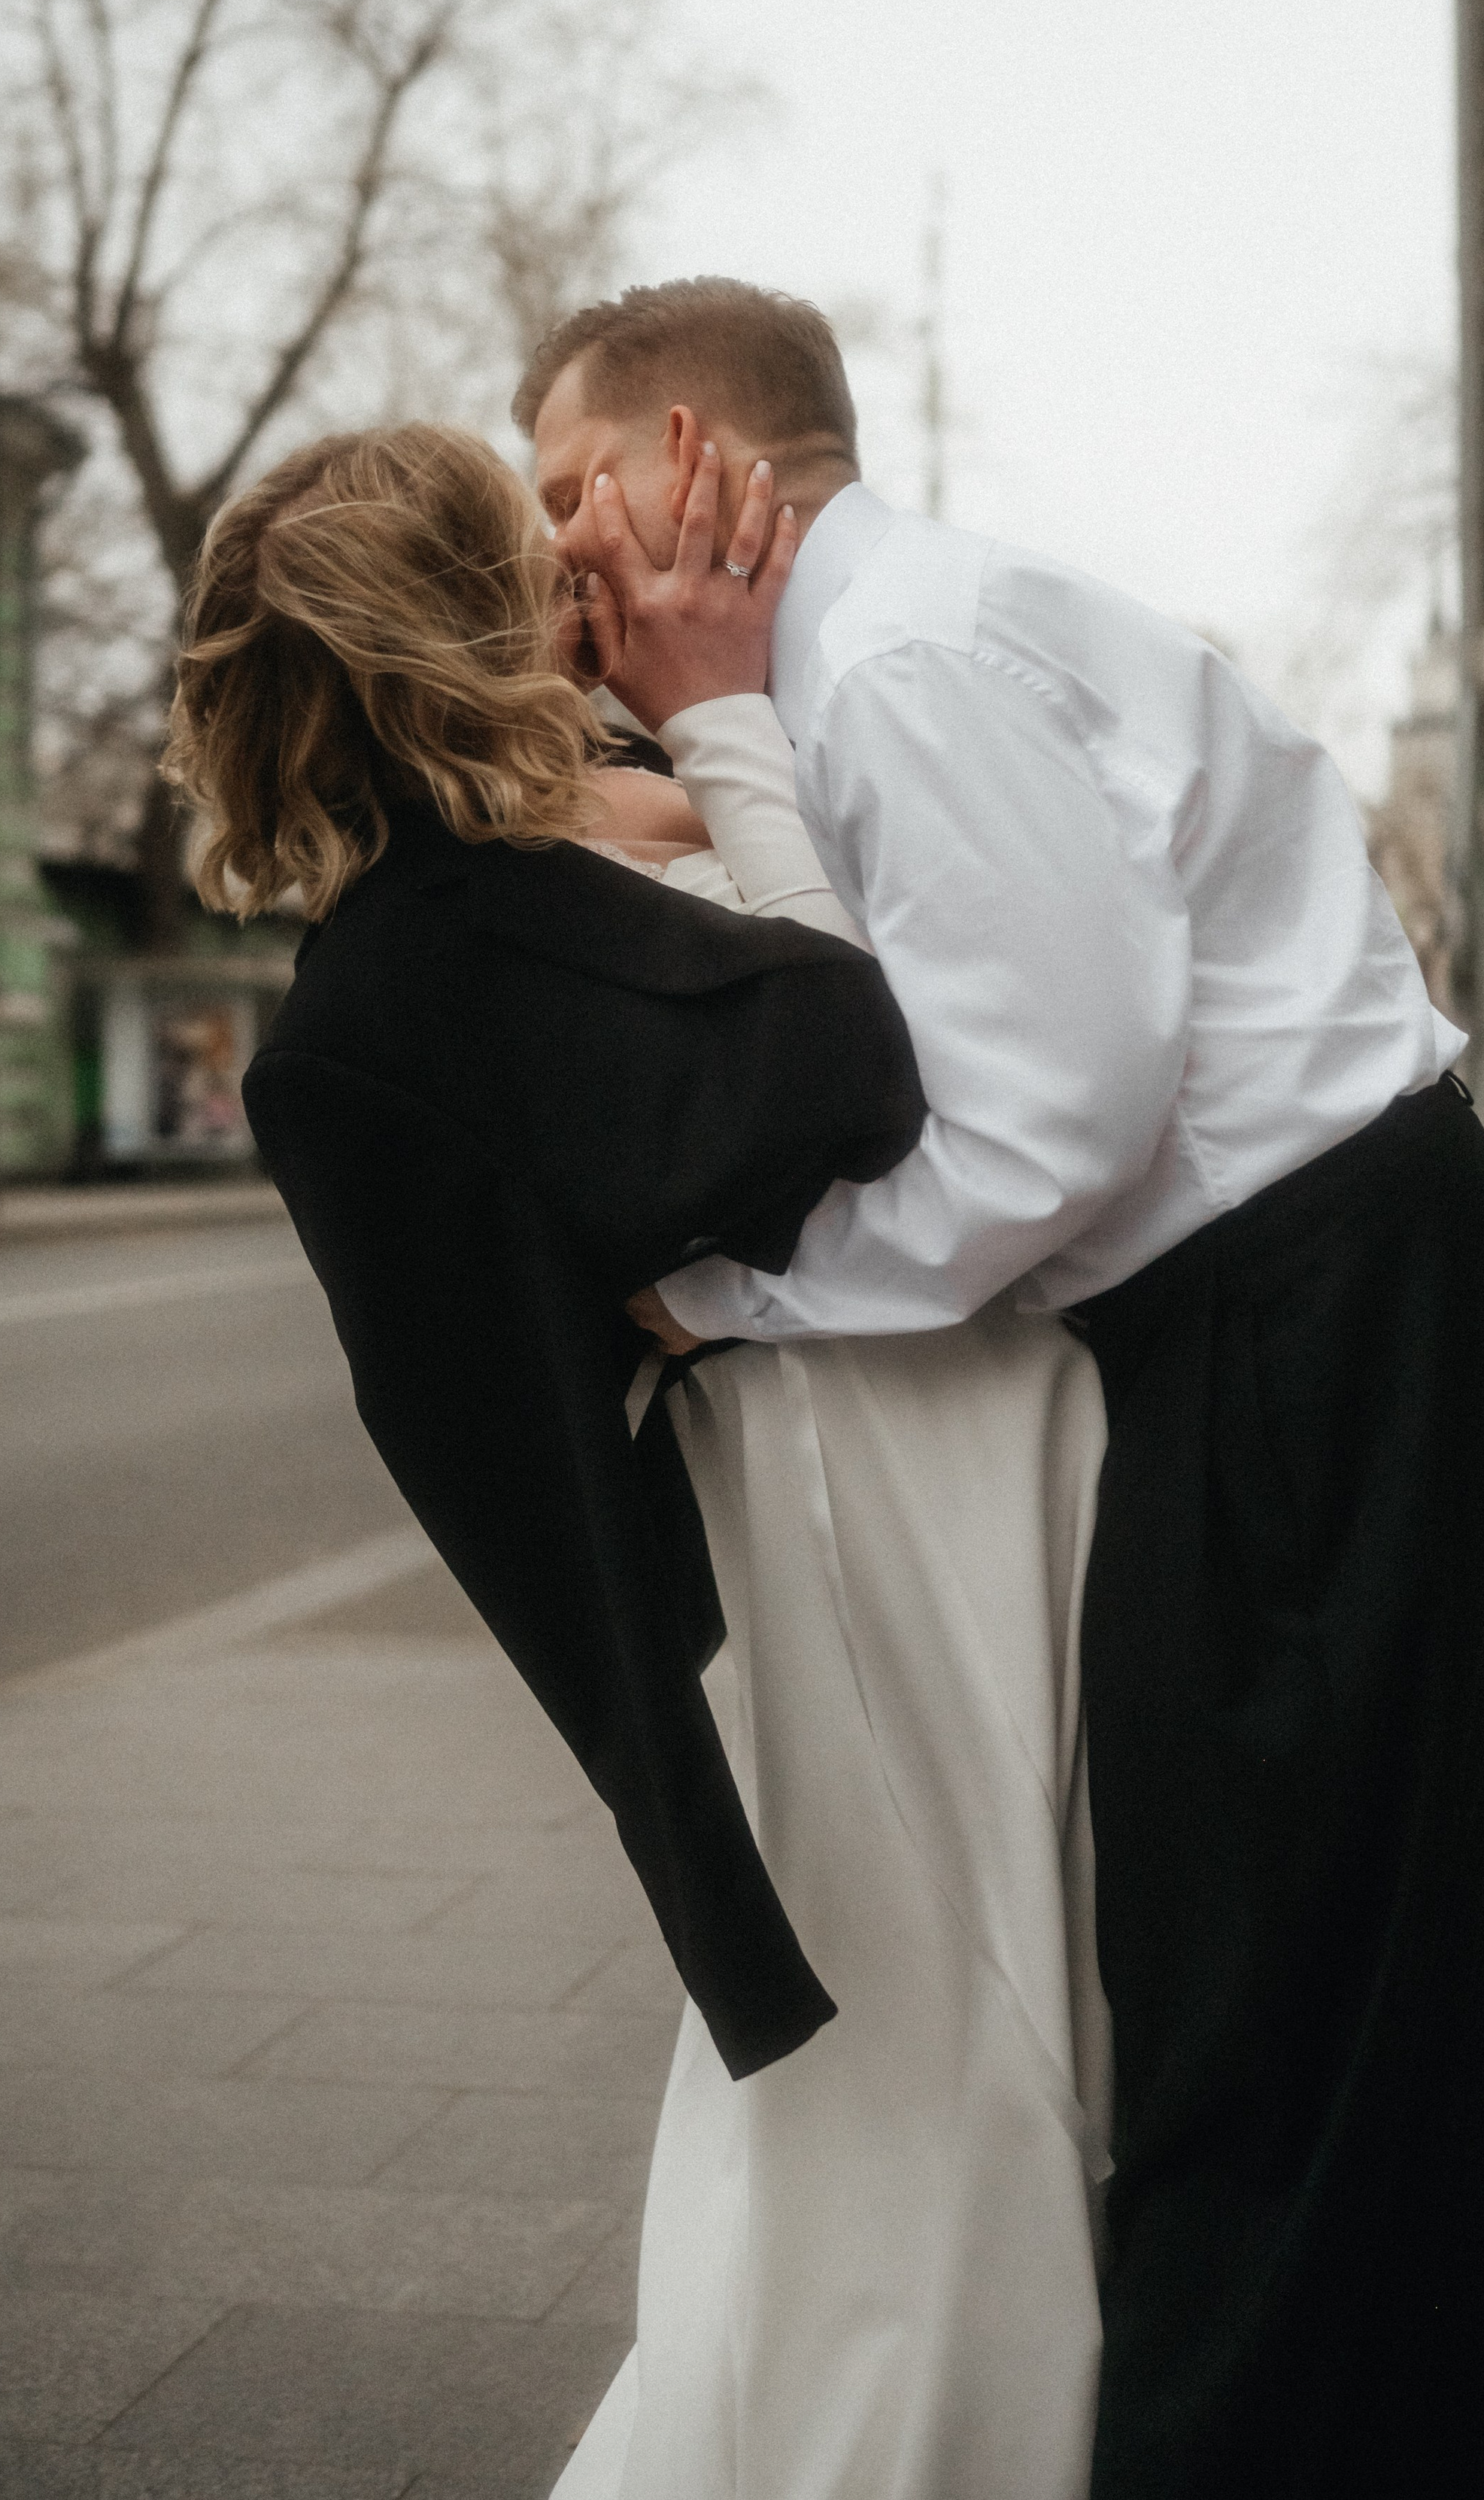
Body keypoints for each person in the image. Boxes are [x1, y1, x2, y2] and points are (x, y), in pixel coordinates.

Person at [525, 276, 1484, 2500]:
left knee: (1275, 1980)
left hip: (1310, 1314)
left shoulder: (898, 657)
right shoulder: (871, 646)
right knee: (1300, 1958)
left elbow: (1042, 1132)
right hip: (1305, 1302)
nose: (552, 557)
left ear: (698, 454)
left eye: (565, 493)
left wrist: (724, 1295)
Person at [164, 421, 1114, 2500]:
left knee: (948, 2022)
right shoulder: (490, 929)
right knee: (952, 2041)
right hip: (863, 1485)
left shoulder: (418, 946)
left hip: (879, 1460)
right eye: (534, 546)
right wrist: (737, 741)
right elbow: (881, 1062)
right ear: (479, 618)